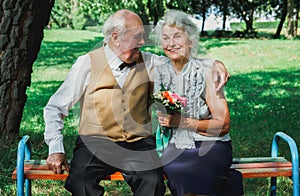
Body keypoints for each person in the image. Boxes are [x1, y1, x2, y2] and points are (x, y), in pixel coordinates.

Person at [43, 9, 230, 196]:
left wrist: (216, 64)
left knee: (152, 182)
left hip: (137, 142)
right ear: (116, 37)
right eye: (137, 37)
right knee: (80, 182)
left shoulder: (150, 62)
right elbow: (55, 108)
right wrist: (55, 149)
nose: (142, 42)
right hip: (95, 142)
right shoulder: (87, 63)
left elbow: (182, 60)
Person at [153, 10, 242, 196]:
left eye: (177, 37)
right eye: (166, 38)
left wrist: (181, 122)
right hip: (177, 144)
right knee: (177, 170)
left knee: (194, 174)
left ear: (191, 41)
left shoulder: (207, 72)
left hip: (212, 144)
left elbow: (223, 124)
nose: (171, 44)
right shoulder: (159, 69)